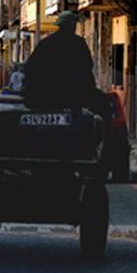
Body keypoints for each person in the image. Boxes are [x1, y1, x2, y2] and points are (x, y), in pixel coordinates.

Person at [23, 11, 113, 172]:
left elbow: (30, 68)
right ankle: (104, 156)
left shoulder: (46, 44)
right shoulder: (78, 44)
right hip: (75, 97)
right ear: (72, 26)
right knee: (106, 107)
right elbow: (88, 66)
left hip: (45, 98)